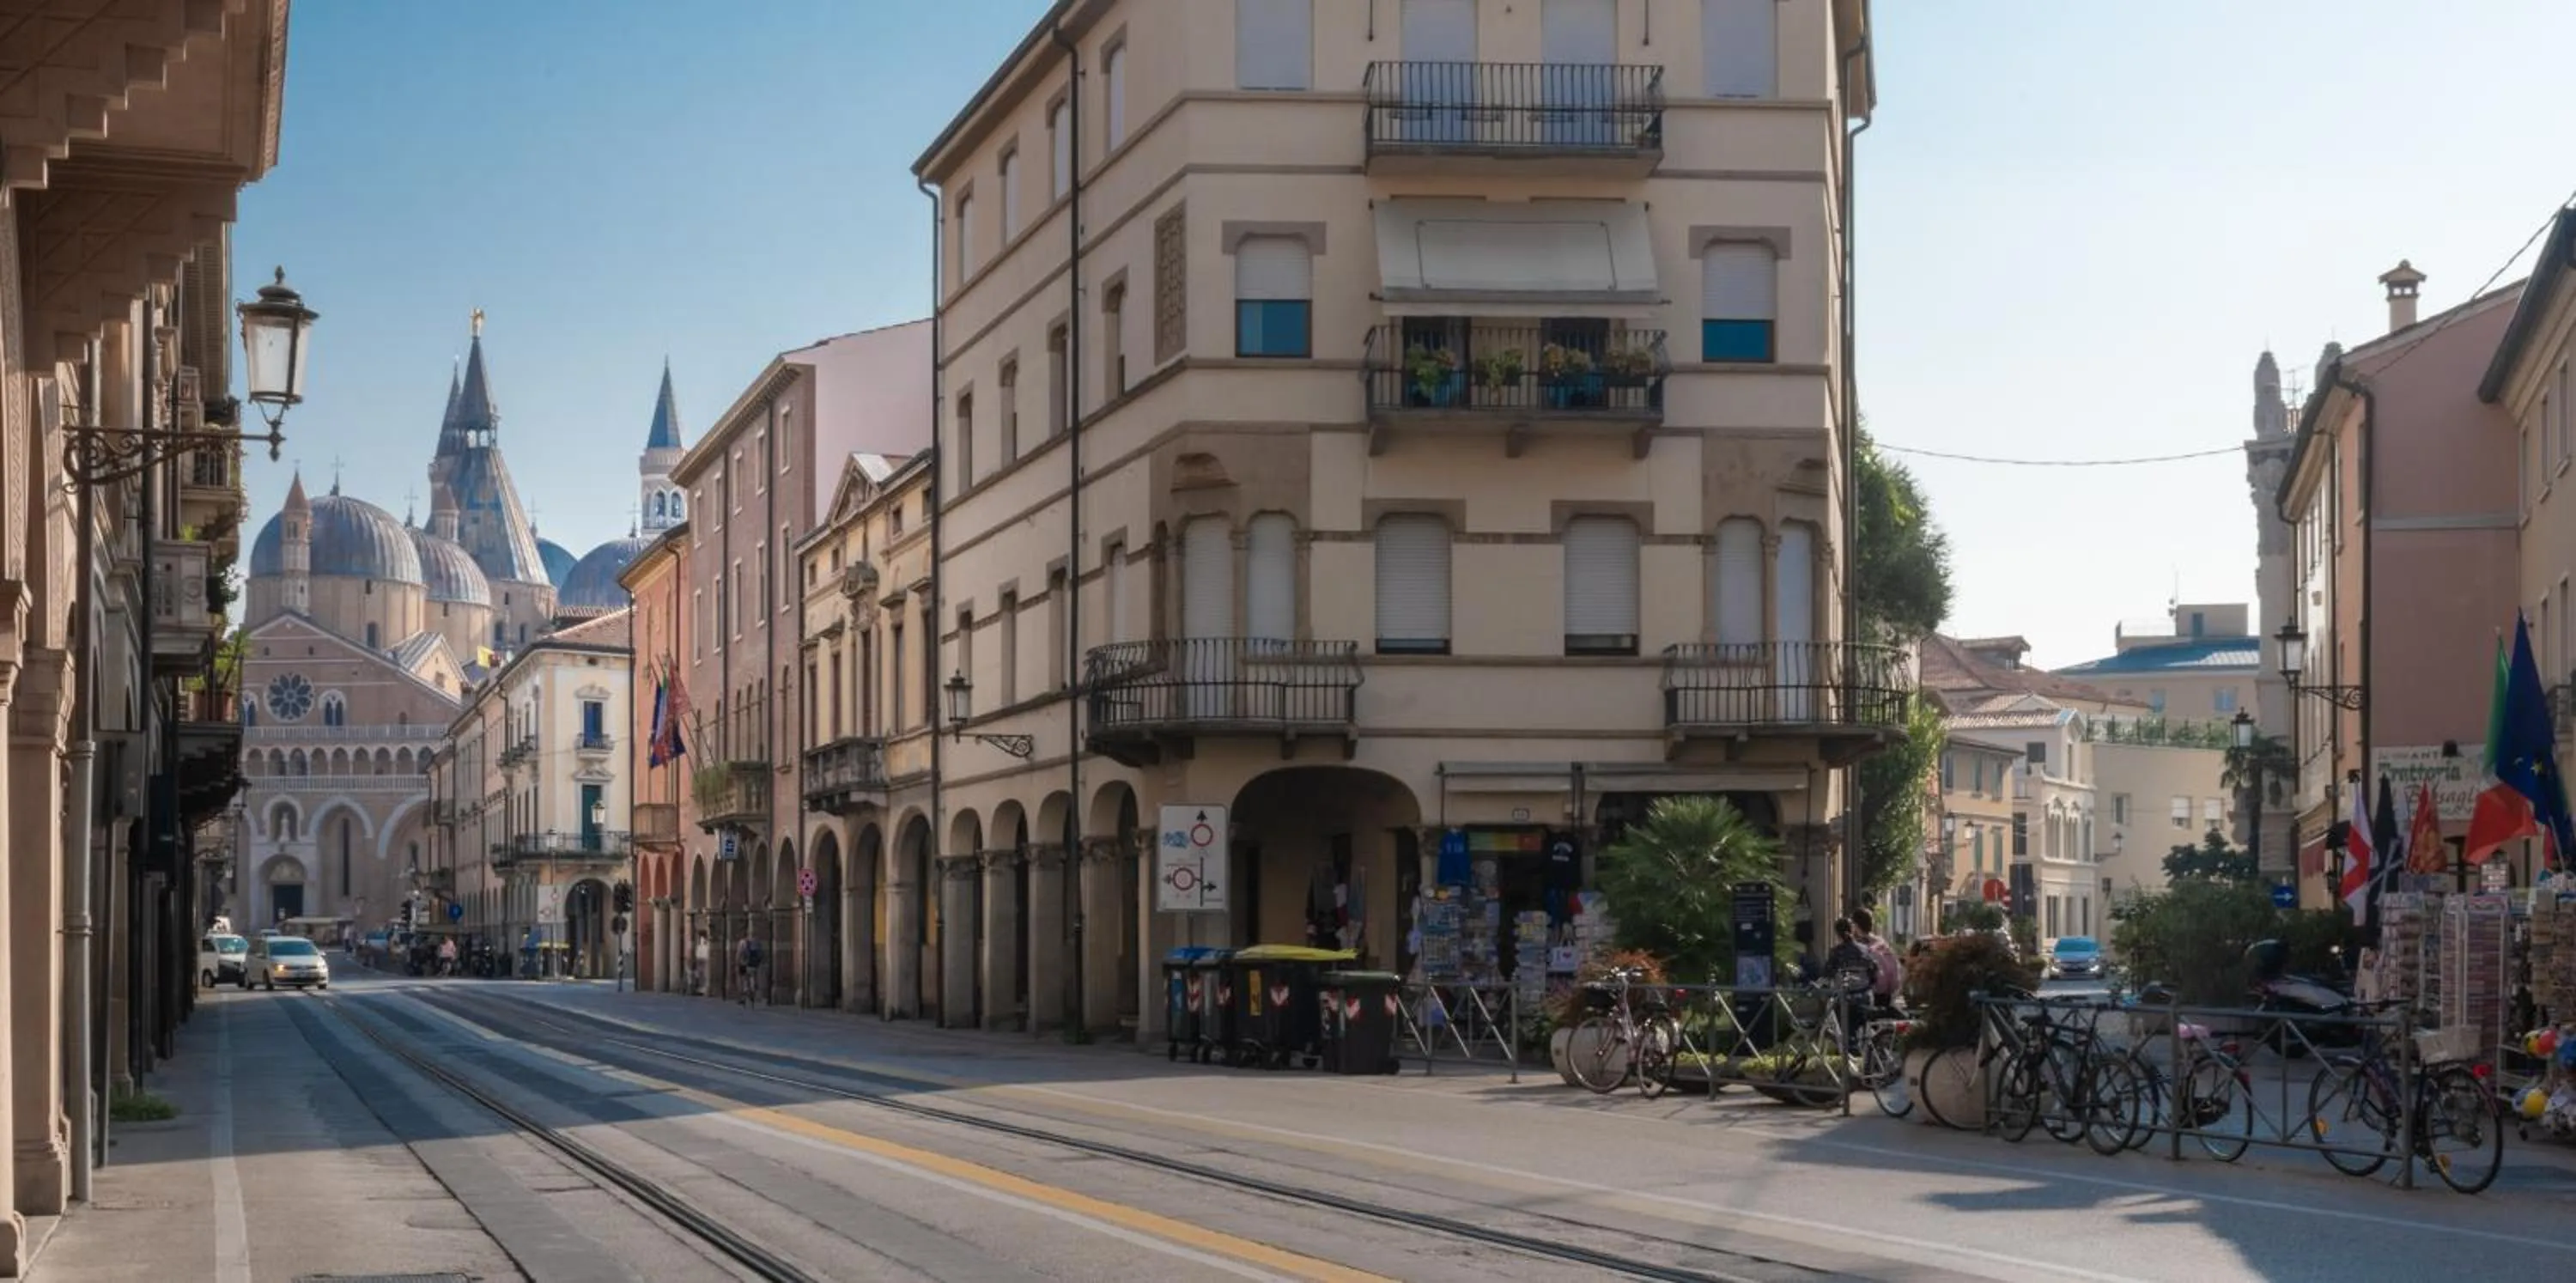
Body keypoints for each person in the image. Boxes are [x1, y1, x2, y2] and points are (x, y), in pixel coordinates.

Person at [1851, 907, 1905, 1011]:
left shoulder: (1857, 947)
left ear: (1856, 926)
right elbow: (1894, 967)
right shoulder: (1882, 944)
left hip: (1865, 993)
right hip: (1886, 994)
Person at [736, 933, 763, 1006]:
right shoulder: (756, 943)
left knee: (744, 979)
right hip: (754, 965)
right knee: (753, 976)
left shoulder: (742, 943)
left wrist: (738, 962)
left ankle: (744, 995)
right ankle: (754, 988)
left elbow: (739, 954)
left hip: (745, 965)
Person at [693, 930, 711, 996]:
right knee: (702, 974)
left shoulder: (701, 941)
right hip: (704, 958)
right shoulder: (705, 942)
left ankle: (701, 989)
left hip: (701, 958)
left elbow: (699, 950)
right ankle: (702, 989)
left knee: (701, 974)